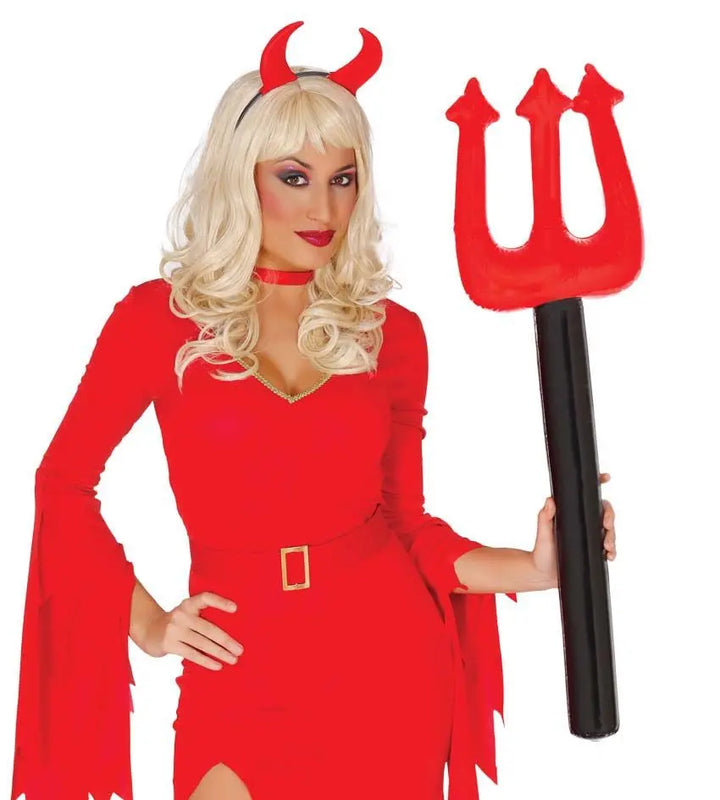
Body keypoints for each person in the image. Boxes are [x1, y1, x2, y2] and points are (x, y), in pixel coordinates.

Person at [10, 21, 617, 800]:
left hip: (385, 658)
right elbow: (62, 484)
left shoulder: (390, 334)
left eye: (344, 178)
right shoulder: (157, 322)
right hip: (237, 662)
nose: (324, 207)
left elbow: (406, 526)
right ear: (242, 177)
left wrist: (538, 567)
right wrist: (151, 624)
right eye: (294, 177)